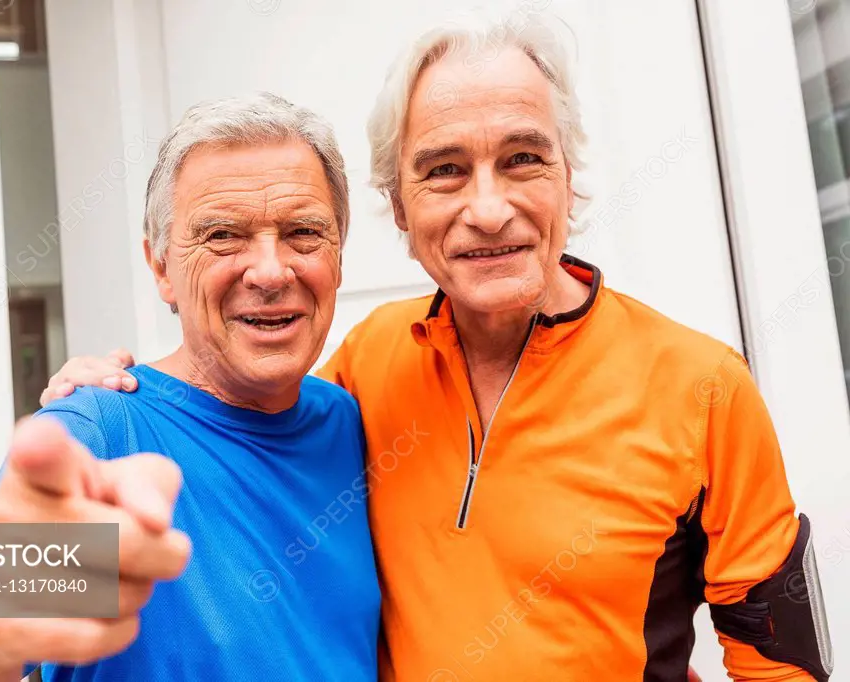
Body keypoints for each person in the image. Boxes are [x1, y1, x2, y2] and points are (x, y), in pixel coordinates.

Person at [42, 11, 833, 682]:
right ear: (400, 207)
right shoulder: (363, 367)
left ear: (569, 178)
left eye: (522, 159)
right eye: (445, 171)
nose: (488, 210)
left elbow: (784, 662)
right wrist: (100, 398)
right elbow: (229, 405)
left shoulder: (704, 388)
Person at [0, 93, 381, 682]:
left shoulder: (346, 419)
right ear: (161, 267)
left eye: (303, 233)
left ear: (338, 255)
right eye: (222, 236)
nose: (268, 271)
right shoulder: (93, 433)